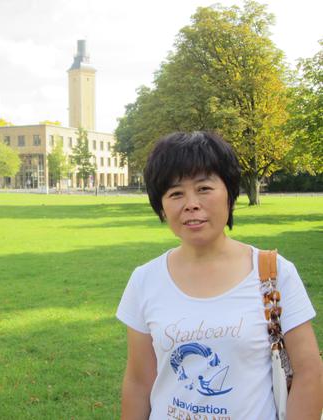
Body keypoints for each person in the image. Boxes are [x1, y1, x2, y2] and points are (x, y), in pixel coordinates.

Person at [116, 132, 322, 419]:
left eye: (204, 188)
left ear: (230, 193)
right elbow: (139, 382)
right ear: (161, 205)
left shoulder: (274, 273)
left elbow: (309, 371)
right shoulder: (145, 280)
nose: (191, 203)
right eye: (176, 193)